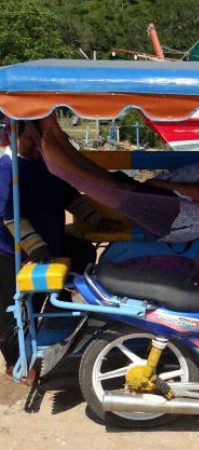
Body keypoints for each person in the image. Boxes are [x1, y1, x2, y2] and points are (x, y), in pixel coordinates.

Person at [35, 114, 199, 242]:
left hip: (180, 217)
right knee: (116, 180)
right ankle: (67, 150)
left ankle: (61, 166)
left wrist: (164, 183)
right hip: (171, 205)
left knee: (120, 188)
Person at [0, 119, 107, 375]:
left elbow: (69, 197)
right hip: (12, 253)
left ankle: (63, 307)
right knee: (15, 308)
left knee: (84, 251)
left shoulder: (45, 167)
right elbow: (10, 217)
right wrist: (36, 248)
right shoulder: (6, 169)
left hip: (51, 242)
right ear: (23, 136)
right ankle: (17, 362)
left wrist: (100, 221)